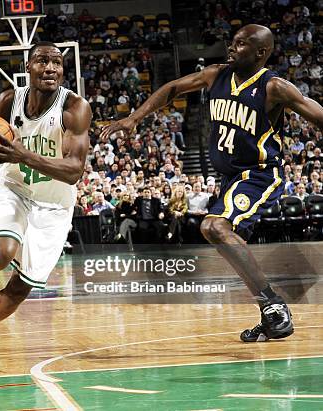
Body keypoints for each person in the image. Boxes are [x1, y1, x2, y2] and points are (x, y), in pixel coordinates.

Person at [102, 24, 323, 342]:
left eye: (241, 44)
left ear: (261, 52)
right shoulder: (215, 75)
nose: (232, 48)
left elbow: (317, 116)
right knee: (222, 237)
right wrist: (134, 118)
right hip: (230, 179)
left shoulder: (274, 87)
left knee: (214, 228)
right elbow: (173, 88)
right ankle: (271, 309)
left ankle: (274, 305)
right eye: (232, 43)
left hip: (258, 175)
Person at [0, 41, 92, 363]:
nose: (50, 68)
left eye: (56, 63)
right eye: (42, 61)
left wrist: (22, 154)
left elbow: (73, 171)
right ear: (28, 67)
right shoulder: (8, 101)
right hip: (15, 189)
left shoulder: (75, 108)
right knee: (1, 251)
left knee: (21, 288)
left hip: (55, 206)